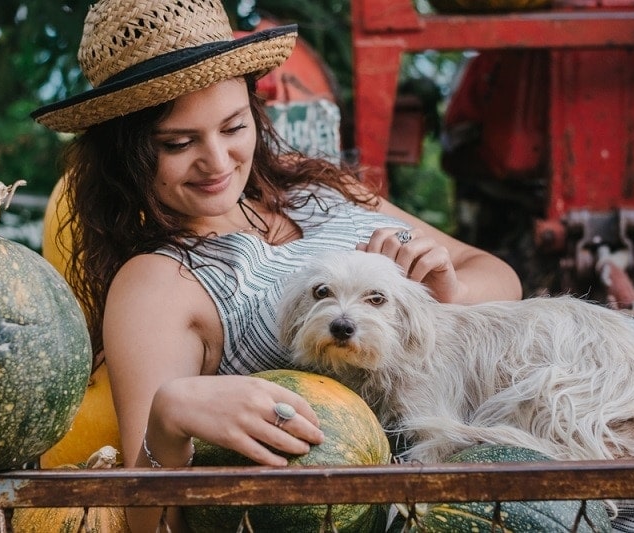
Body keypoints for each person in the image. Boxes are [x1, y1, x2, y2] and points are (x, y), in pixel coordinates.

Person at [30, 0, 533, 530]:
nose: (219, 163)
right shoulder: (157, 283)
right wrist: (168, 419)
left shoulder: (313, 189)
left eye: (233, 127)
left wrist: (447, 292)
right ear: (125, 154)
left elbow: (503, 279)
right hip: (414, 494)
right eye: (178, 143)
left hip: (520, 412)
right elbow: (152, 523)